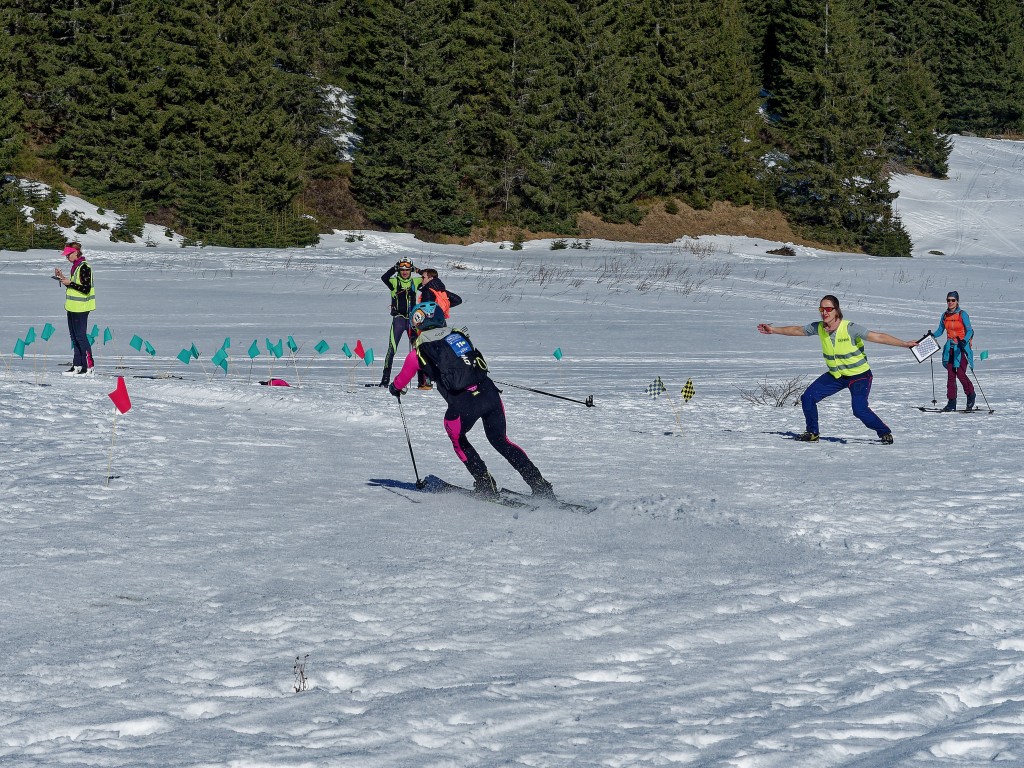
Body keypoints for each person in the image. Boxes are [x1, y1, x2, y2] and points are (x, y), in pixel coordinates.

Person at [388, 301, 555, 500]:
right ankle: (540, 485)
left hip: (463, 404)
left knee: (458, 438)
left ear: (418, 324)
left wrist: (394, 388)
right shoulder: (459, 335)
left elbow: (400, 382)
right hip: (489, 393)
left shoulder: (417, 353)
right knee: (502, 441)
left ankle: (485, 483)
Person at [756, 295, 918, 444]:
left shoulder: (850, 328)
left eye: (828, 309)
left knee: (859, 409)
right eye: (821, 309)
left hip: (859, 375)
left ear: (836, 310)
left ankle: (884, 433)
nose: (824, 312)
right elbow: (797, 330)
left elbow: (878, 336)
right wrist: (774, 329)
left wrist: (904, 344)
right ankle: (812, 433)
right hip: (837, 375)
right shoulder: (819, 327)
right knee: (808, 398)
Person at [378, 259, 426, 388]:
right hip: (398, 320)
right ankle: (385, 380)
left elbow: (428, 278)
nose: (405, 272)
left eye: (407, 269)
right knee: (391, 349)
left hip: (412, 321)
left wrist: (417, 270)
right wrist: (394, 268)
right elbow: (384, 277)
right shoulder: (394, 281)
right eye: (402, 269)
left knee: (419, 350)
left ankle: (422, 381)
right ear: (399, 270)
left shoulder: (415, 281)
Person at [53, 241, 95, 376]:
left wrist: (70, 283)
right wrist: (64, 279)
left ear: (76, 252)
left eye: (69, 254)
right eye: (66, 255)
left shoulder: (84, 267)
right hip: (72, 307)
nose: (67, 257)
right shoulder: (75, 267)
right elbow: (74, 287)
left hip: (81, 308)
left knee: (81, 336)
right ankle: (77, 365)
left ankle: (89, 367)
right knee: (74, 337)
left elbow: (85, 288)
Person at [932, 291, 976, 411]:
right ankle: (951, 402)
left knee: (961, 373)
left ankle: (971, 395)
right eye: (948, 300)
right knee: (951, 375)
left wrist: (964, 341)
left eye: (953, 300)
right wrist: (932, 335)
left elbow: (970, 330)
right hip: (950, 347)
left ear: (957, 301)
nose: (950, 302)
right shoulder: (945, 315)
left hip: (962, 348)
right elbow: (940, 330)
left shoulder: (963, 314)